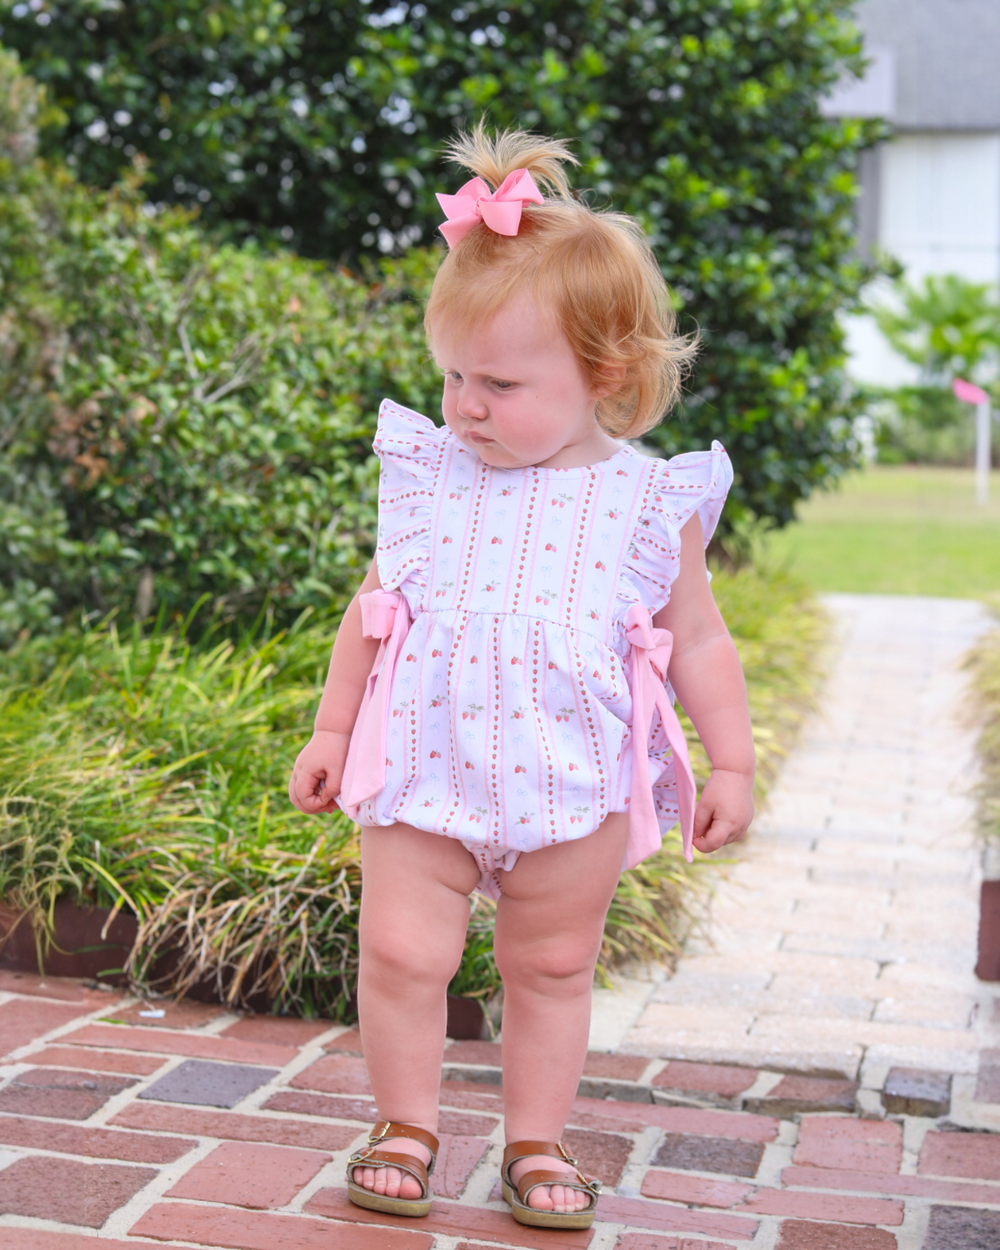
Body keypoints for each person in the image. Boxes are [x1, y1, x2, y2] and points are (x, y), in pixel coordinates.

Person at [288, 124, 755, 1231]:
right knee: (402, 949)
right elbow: (374, 611)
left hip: (572, 779)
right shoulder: (430, 477)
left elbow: (697, 640)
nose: (464, 404)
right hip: (423, 766)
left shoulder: (650, 503)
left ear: (606, 374)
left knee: (549, 965)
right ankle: (406, 1121)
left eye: (497, 381)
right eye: (452, 373)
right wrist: (329, 727)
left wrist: (728, 755)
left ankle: (536, 1141)